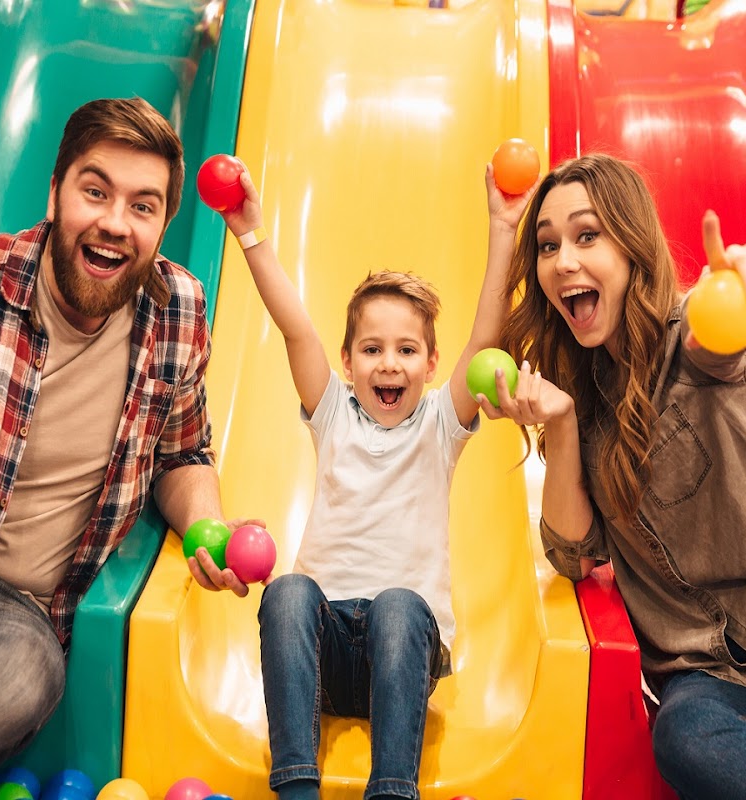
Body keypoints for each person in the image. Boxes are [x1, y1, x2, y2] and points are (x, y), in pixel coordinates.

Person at [187, 160, 534, 800]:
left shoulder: (440, 426)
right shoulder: (333, 415)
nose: (389, 363)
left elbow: (488, 332)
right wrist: (250, 234)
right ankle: (295, 785)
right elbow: (295, 326)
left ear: (432, 362)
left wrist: (504, 229)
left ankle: (392, 789)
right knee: (288, 590)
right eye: (371, 349)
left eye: (407, 350)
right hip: (325, 654)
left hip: (403, 655)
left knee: (402, 604)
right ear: (346, 362)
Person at [478, 152, 746, 799]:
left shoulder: (692, 337)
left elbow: (721, 346)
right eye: (548, 245)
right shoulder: (583, 401)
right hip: (707, 673)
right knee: (686, 739)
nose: (563, 262)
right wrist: (559, 429)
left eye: (588, 236)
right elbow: (573, 554)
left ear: (633, 246)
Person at [0, 97, 250, 773]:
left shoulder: (178, 313)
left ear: (164, 223)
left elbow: (183, 451)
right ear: (55, 192)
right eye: (95, 192)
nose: (113, 223)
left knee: (24, 677)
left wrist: (205, 528)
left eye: (142, 205)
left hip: (18, 613)